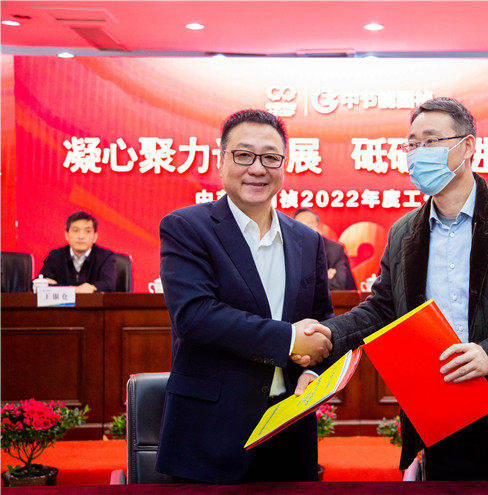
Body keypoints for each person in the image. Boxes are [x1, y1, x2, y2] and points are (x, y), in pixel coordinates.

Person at [298, 98, 488, 481]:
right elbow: (383, 309)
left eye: (432, 141)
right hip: (446, 415)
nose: (419, 153)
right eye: (412, 144)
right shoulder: (404, 233)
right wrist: (329, 333)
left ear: (468, 146)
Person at [155, 109, 334, 484]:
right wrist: (288, 340)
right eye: (243, 155)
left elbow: (322, 320)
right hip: (210, 432)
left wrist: (312, 373)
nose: (257, 168)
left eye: (270, 157)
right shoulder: (186, 227)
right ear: (221, 161)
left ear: (284, 164)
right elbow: (195, 317)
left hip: (289, 428)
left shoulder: (307, 240)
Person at [36, 211, 116, 293]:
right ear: (67, 235)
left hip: (93, 301)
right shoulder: (55, 256)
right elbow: (38, 284)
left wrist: (58, 287)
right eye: (75, 230)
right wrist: (74, 290)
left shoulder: (105, 256)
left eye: (87, 231)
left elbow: (108, 284)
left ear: (95, 236)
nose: (81, 236)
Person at [293, 208, 357, 290]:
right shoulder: (290, 249)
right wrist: (323, 277)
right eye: (300, 228)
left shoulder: (335, 250)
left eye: (310, 227)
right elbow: (289, 284)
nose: (305, 232)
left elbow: (339, 285)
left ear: (319, 228)